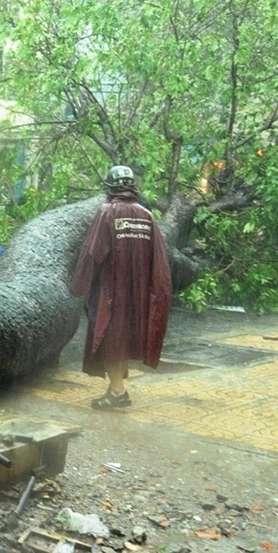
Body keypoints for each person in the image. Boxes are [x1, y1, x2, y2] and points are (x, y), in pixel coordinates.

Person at [70, 165, 173, 411]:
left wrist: (79, 287)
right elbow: (158, 258)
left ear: (110, 189)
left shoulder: (107, 212)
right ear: (132, 188)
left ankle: (118, 391)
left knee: (108, 339)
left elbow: (93, 253)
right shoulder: (147, 216)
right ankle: (115, 386)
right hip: (138, 294)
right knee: (123, 340)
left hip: (111, 293)